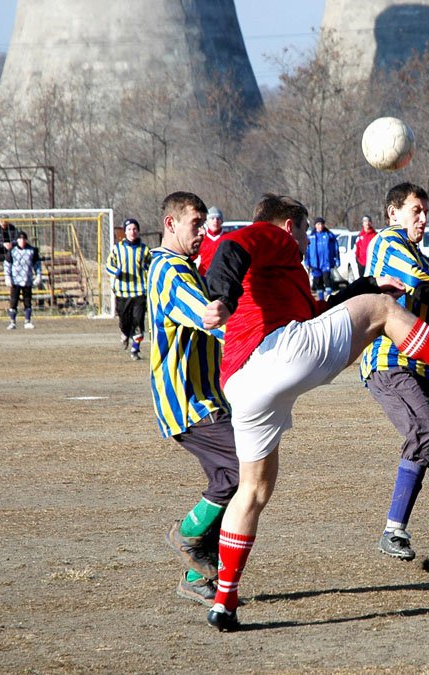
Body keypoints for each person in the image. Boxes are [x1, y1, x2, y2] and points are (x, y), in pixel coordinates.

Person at [201, 192, 429, 631]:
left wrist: (368, 287)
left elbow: (323, 314)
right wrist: (221, 296)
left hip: (243, 385)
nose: (305, 244)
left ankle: (224, 601)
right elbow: (231, 248)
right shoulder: (273, 235)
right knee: (383, 313)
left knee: (253, 492)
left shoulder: (286, 278)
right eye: (303, 233)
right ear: (290, 227)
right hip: (272, 357)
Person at [362, 183, 429, 571]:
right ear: (393, 213)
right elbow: (426, 286)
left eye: (426, 211)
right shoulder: (386, 243)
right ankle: (393, 529)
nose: (423, 218)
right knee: (427, 428)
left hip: (428, 365)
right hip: (392, 360)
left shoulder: (422, 258)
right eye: (416, 210)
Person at [147, 191, 240, 607]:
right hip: (188, 402)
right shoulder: (169, 270)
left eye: (204, 223)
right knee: (242, 469)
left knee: (233, 482)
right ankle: (185, 534)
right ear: (171, 224)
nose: (203, 231)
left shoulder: (185, 266)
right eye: (195, 223)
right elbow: (205, 317)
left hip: (208, 397)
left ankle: (194, 576)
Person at [106, 218, 151, 360]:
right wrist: (115, 272)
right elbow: (108, 265)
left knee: (138, 320)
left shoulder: (145, 250)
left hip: (140, 291)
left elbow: (152, 265)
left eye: (135, 229)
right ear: (125, 232)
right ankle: (125, 333)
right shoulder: (117, 249)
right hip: (122, 291)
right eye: (129, 229)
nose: (132, 232)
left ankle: (135, 349)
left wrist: (147, 269)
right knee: (124, 322)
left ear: (138, 231)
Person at [4, 231, 41, 330]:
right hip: (15, 280)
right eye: (20, 239)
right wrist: (7, 277)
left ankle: (27, 321)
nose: (22, 241)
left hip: (27, 280)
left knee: (27, 301)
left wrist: (38, 275)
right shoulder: (12, 251)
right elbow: (7, 265)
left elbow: (37, 264)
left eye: (24, 239)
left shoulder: (32, 250)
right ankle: (12, 322)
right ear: (17, 240)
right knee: (13, 301)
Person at [304, 217, 339, 300]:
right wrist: (307, 261)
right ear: (315, 225)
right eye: (318, 224)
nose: (320, 226)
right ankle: (321, 299)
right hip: (315, 263)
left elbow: (336, 248)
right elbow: (307, 250)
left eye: (321, 224)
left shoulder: (329, 236)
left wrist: (337, 259)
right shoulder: (311, 236)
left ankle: (330, 298)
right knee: (318, 281)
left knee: (327, 279)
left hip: (326, 262)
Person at [196, 206, 225, 275]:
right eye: (212, 218)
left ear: (222, 221)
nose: (215, 221)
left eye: (218, 218)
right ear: (206, 222)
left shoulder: (228, 238)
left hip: (223, 277)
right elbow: (190, 257)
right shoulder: (201, 238)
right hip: (204, 277)